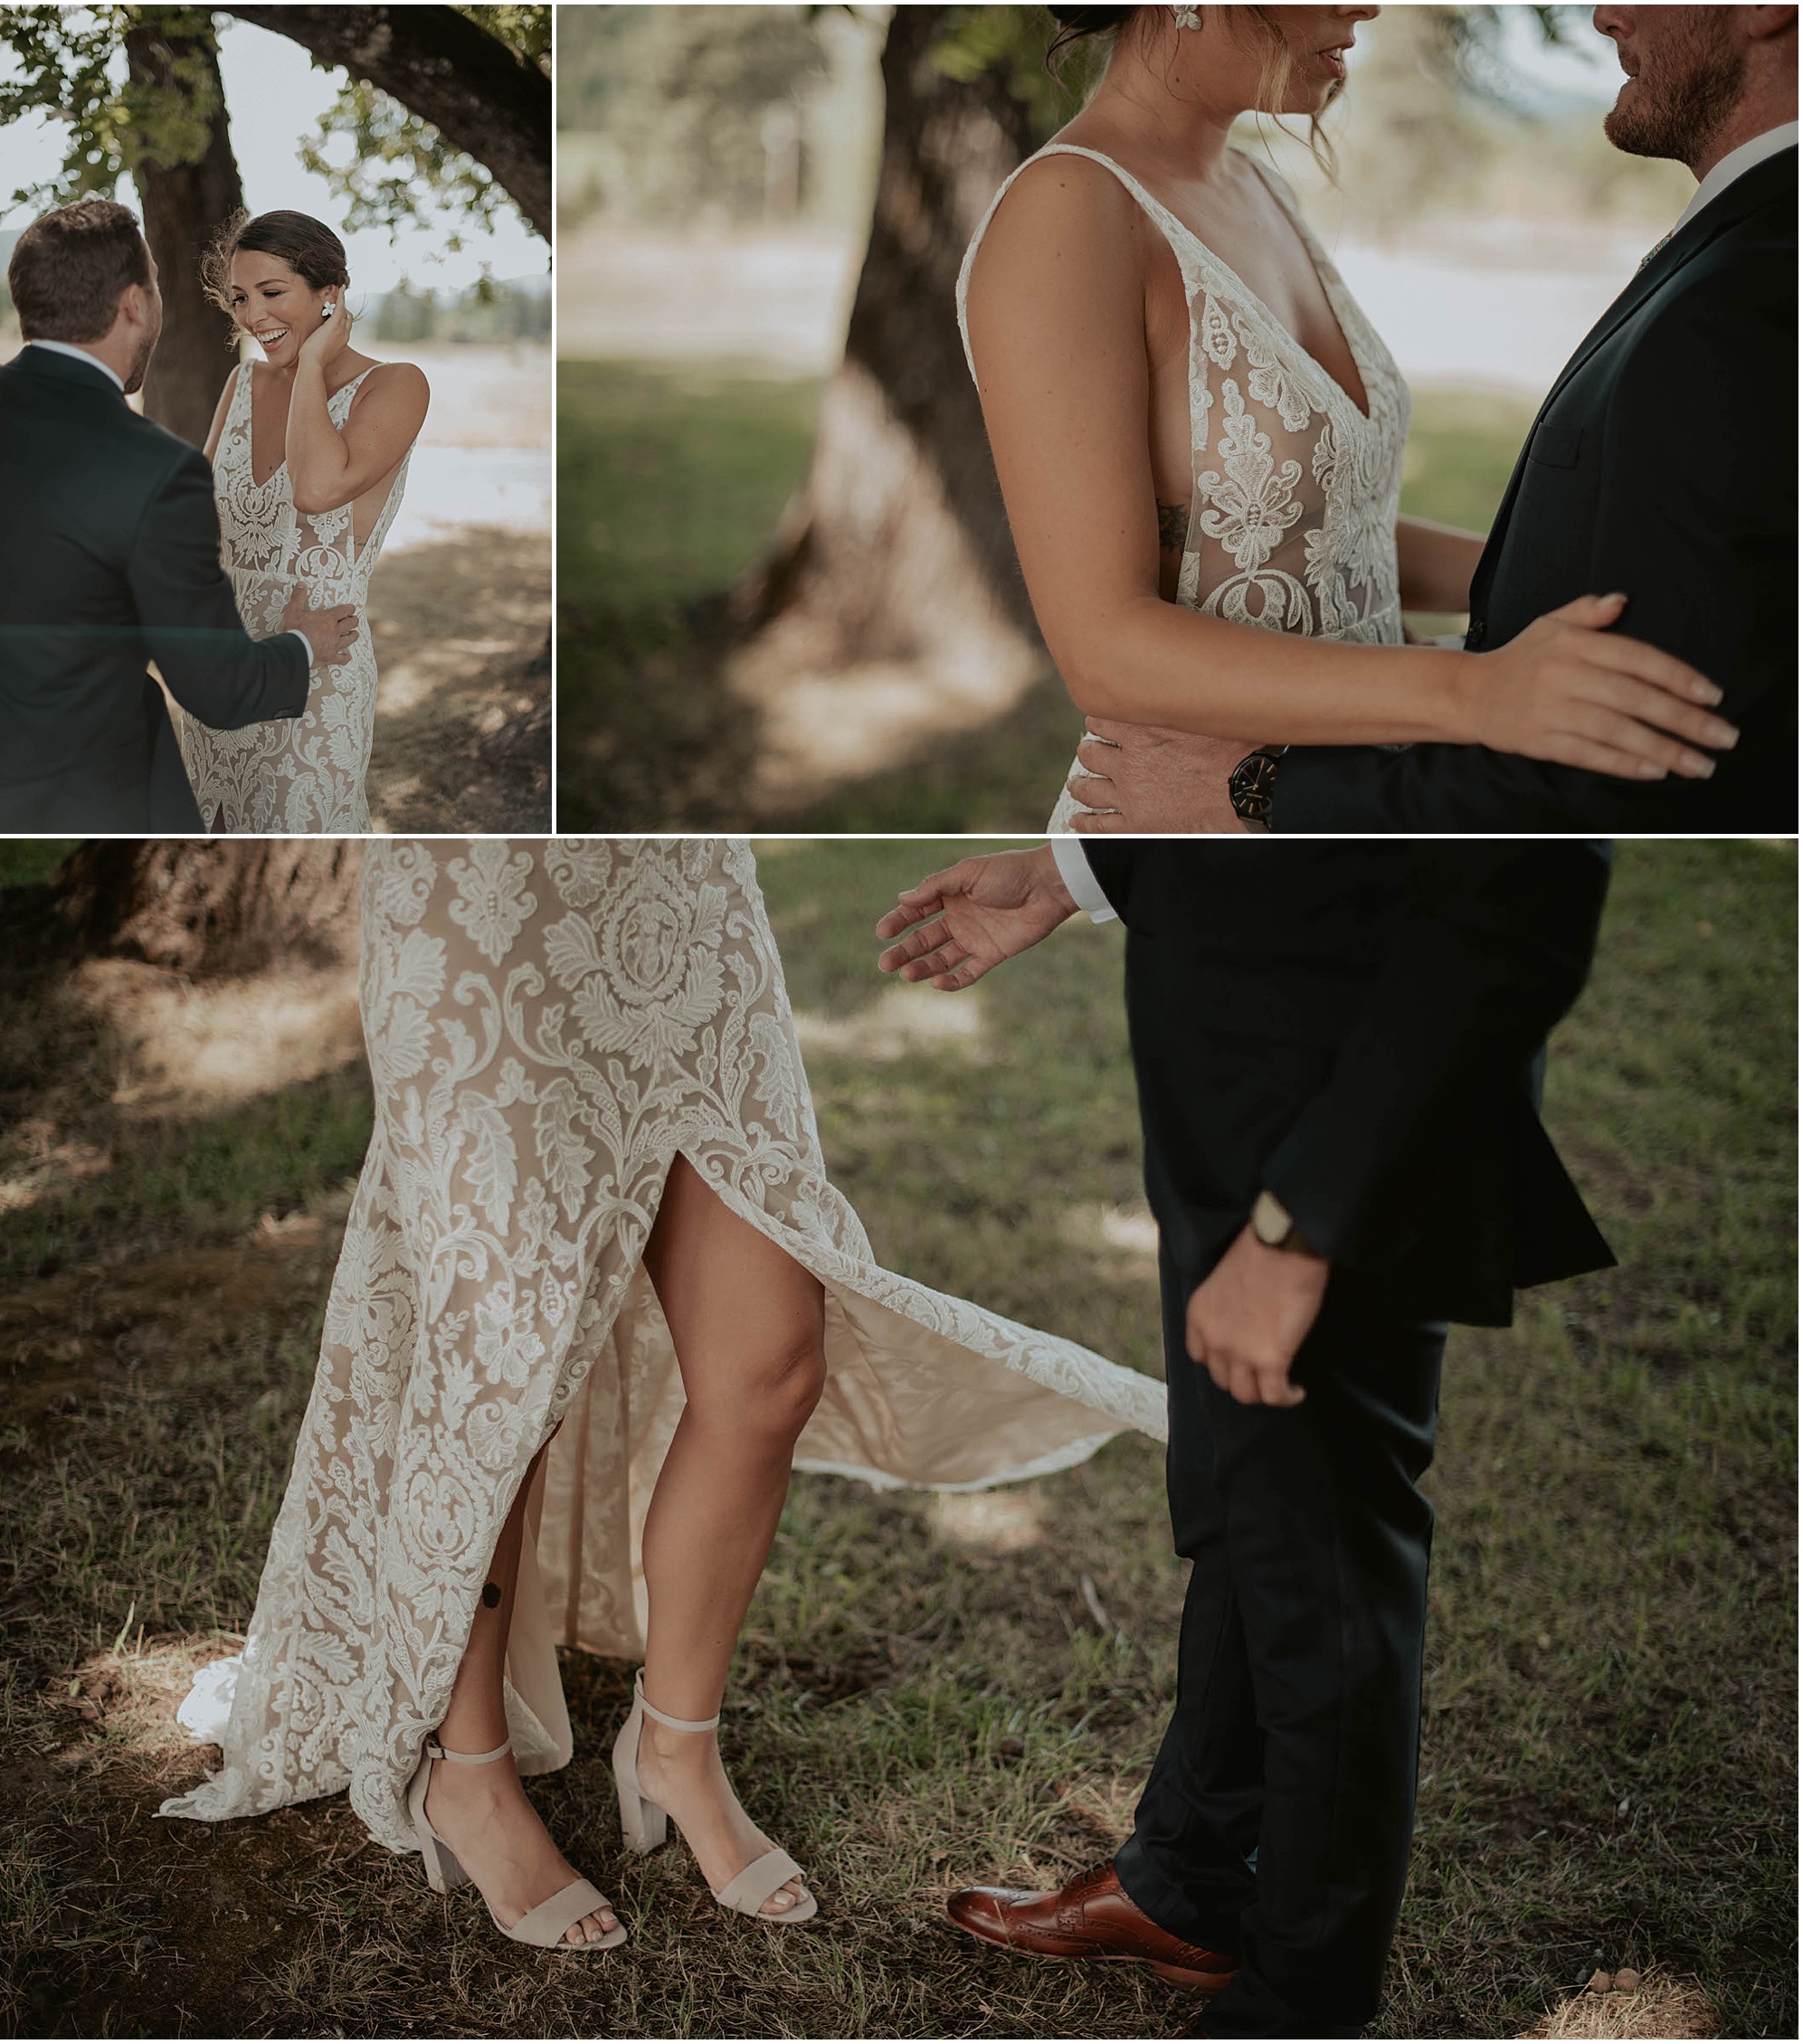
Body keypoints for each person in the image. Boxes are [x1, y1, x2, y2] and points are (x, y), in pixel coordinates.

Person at [161, 838, 1163, 1954]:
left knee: (769, 1363)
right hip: (486, 903)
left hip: (682, 896)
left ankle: (674, 1743)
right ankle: (465, 1766)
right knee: (507, 1351)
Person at [876, 836, 1616, 2038]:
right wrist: (1077, 868)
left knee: (1325, 1565)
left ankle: (1300, 2004)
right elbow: (1245, 777)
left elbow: (1522, 867)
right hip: (1232, 1097)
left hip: (1346, 1112)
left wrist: (1305, 1221)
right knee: (1245, 1509)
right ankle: (1190, 1881)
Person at [955, 5, 1741, 837]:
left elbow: (1321, 535)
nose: (1366, 5)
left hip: (1356, 805)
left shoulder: (1256, 186)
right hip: (1201, 827)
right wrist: (1479, 691)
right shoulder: (1068, 212)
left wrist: (1579, 584)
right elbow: (1106, 648)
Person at [0, 199, 357, 832]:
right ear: (134, 304)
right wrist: (306, 644)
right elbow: (218, 689)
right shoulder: (154, 471)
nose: (248, 313)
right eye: (159, 285)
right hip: (68, 799)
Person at [180, 210, 429, 832]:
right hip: (227, 670)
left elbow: (316, 490)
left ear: (329, 294)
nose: (252, 316)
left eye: (272, 292)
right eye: (240, 297)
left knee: (295, 852)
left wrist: (312, 367)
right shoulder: (242, 382)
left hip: (319, 675)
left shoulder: (396, 386)